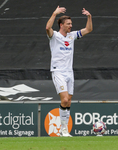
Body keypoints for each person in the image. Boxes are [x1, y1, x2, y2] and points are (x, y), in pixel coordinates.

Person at [46, 6, 93, 137]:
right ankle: (63, 130)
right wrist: (54, 13)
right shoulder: (54, 36)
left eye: (71, 24)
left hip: (69, 72)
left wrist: (89, 17)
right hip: (58, 71)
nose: (71, 26)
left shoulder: (72, 36)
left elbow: (89, 29)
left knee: (69, 100)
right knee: (65, 99)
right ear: (61, 25)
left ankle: (64, 130)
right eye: (68, 24)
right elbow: (47, 28)